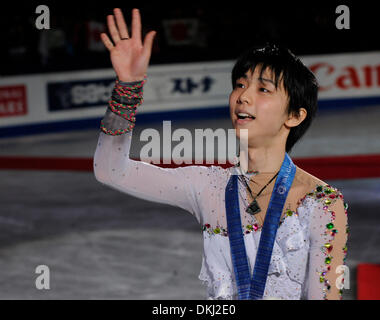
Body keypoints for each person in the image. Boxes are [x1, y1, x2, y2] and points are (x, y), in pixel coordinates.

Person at [94, 8, 349, 300]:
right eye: (240, 84)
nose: (243, 96)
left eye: (263, 89)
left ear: (294, 116)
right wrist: (127, 89)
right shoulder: (207, 186)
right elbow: (111, 170)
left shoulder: (322, 203)